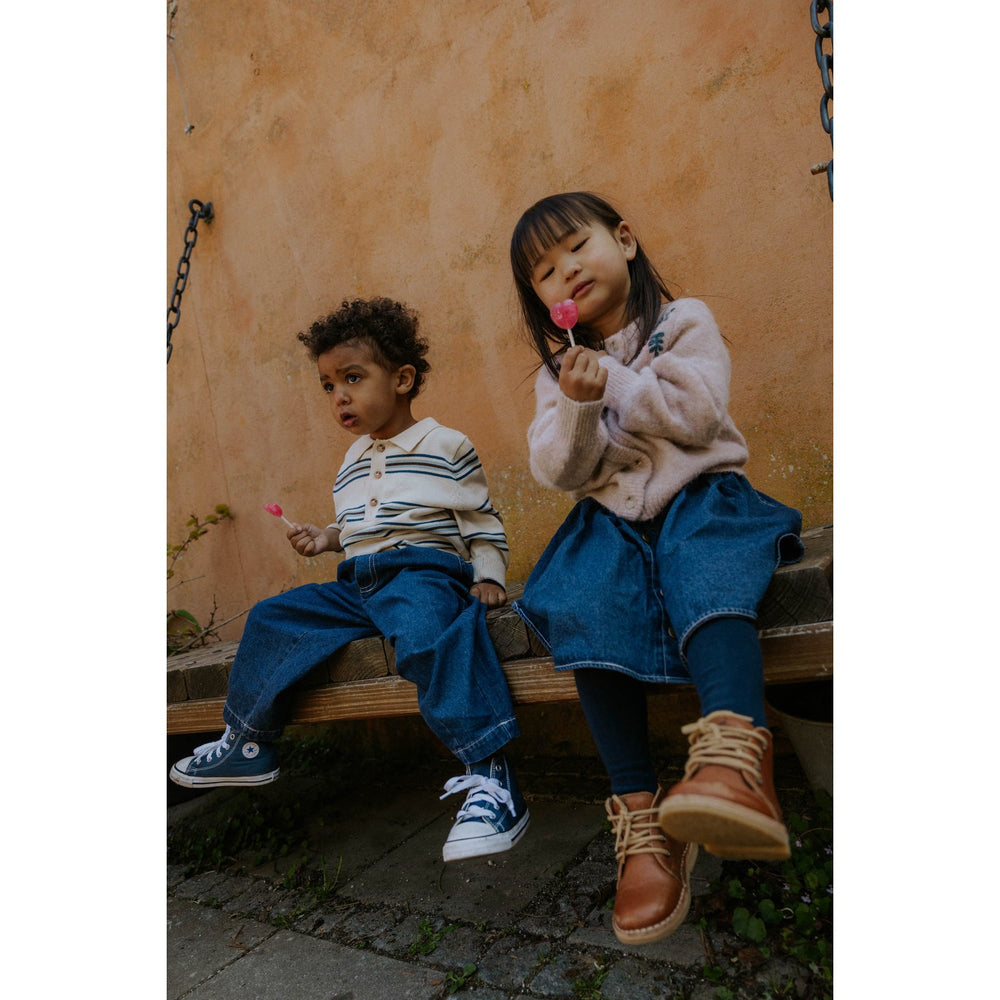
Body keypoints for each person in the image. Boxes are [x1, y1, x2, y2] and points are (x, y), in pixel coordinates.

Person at [508, 192, 804, 944]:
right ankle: (642, 818)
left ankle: (736, 758)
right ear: (541, 300)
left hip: (704, 498)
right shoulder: (557, 374)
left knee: (704, 562)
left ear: (626, 240)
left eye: (577, 245)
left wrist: (614, 383)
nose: (566, 270)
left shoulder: (683, 322)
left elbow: (697, 414)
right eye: (544, 270)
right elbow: (560, 470)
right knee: (583, 598)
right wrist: (578, 405)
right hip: (612, 523)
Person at [169, 297, 529, 863]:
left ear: (402, 379)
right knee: (273, 616)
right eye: (328, 385)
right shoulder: (351, 460)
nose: (339, 395)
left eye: (353, 378)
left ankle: (490, 772)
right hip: (357, 585)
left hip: (421, 574)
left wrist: (488, 575)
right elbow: (363, 527)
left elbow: (480, 521)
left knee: (430, 635)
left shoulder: (446, 445)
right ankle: (249, 742)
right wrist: (327, 538)